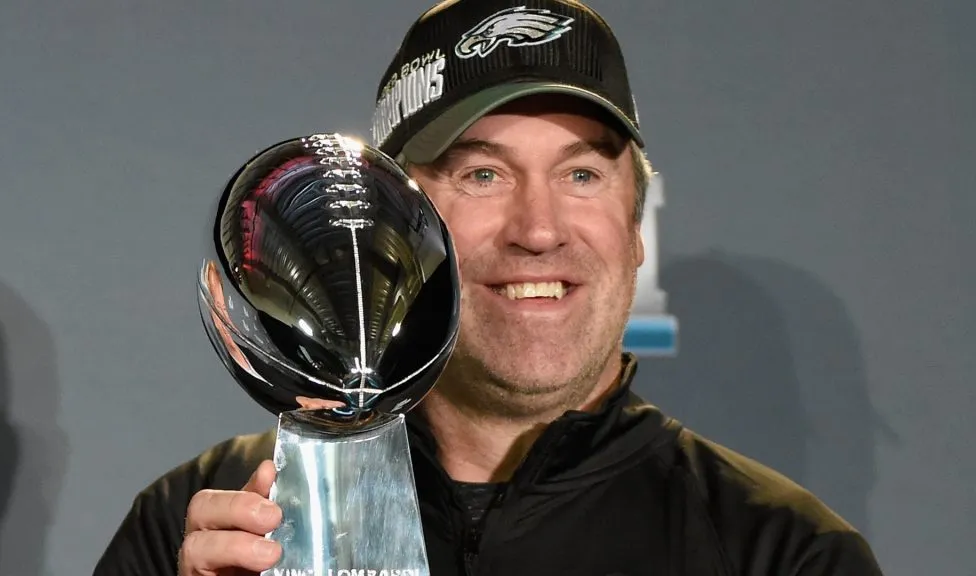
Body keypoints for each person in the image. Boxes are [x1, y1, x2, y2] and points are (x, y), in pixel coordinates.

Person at [94, 1, 884, 574]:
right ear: (391, 222)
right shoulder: (203, 524)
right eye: (482, 173)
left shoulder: (782, 553)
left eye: (581, 173)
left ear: (635, 226)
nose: (538, 229)